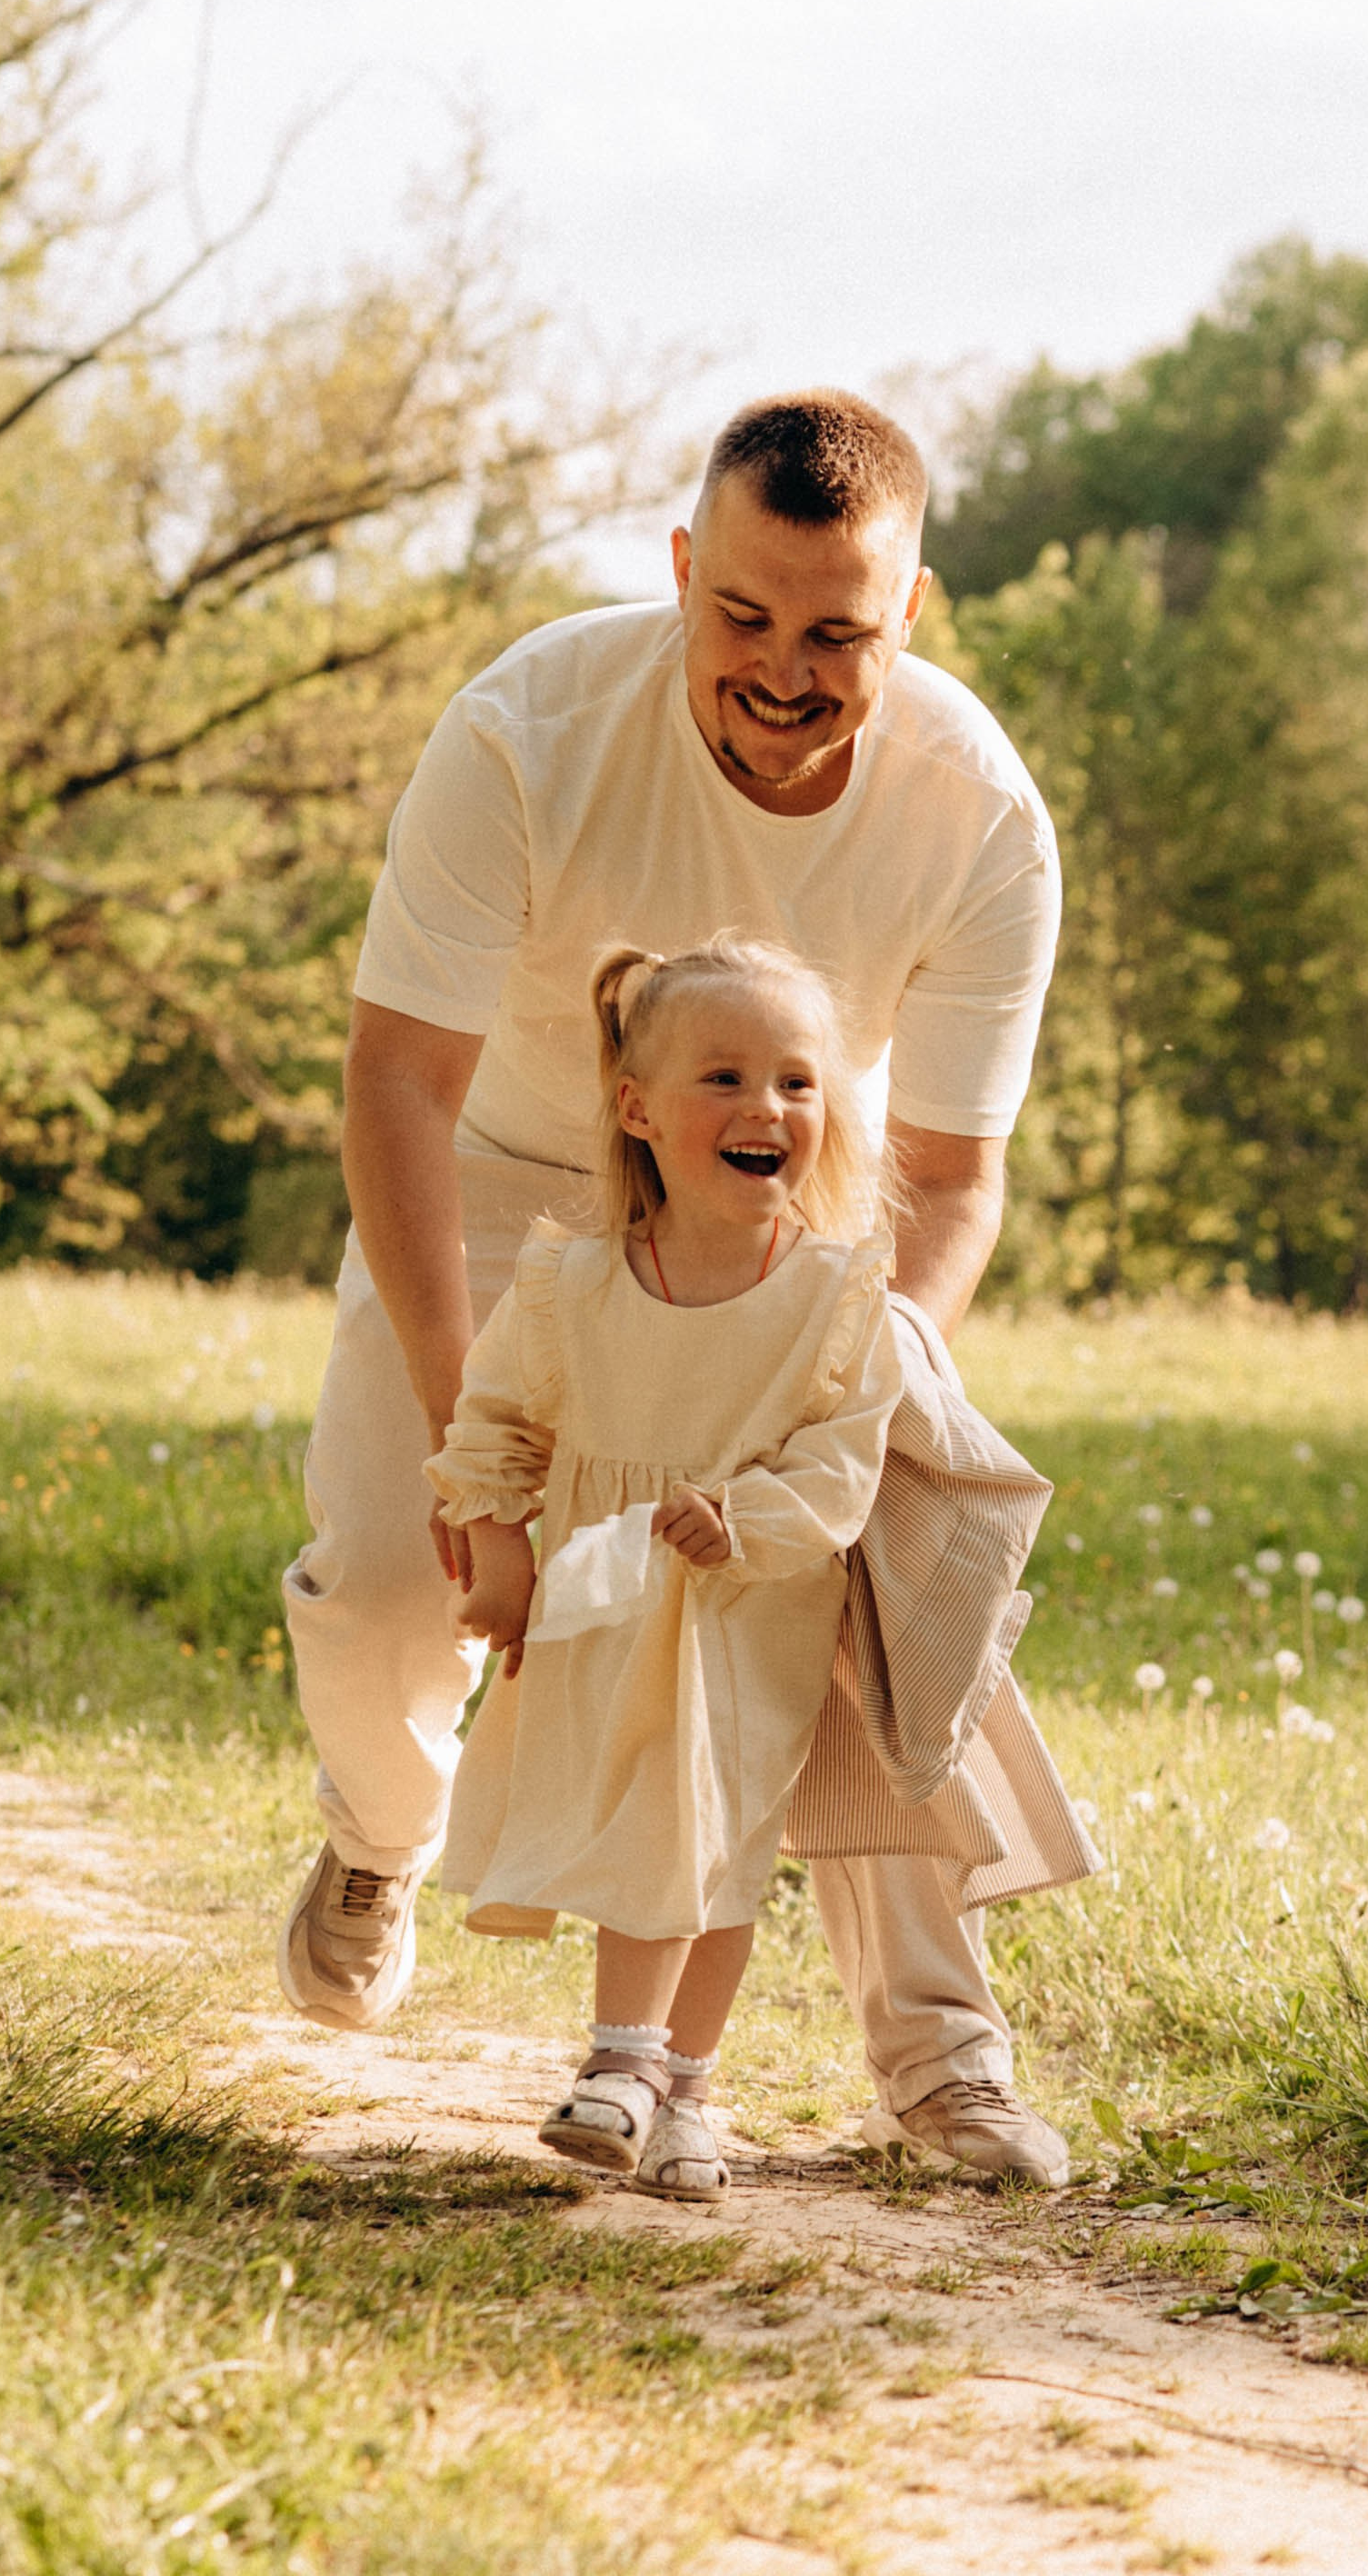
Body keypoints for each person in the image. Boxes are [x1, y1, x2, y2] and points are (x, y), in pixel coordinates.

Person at [279, 385, 1079, 2187]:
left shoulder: (978, 814)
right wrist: (472, 1442)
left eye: (837, 631)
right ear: (679, 573)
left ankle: (944, 2057)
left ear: (912, 611)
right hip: (507, 1170)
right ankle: (384, 1829)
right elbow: (399, 1078)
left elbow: (950, 1176)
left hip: (785, 1195)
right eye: (743, 614)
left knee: (881, 1574)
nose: (784, 670)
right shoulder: (531, 727)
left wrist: (850, 1396)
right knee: (398, 1575)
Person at [428, 936, 902, 2203]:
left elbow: (841, 1470)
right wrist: (497, 1553)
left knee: (719, 1847)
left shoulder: (836, 1297)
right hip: (611, 1603)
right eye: (727, 1079)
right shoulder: (572, 1286)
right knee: (650, 1822)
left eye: (799, 1084)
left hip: (750, 1610)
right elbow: (494, 1422)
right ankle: (663, 2087)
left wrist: (744, 1517)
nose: (768, 1110)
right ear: (637, 1109)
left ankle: (644, 2075)